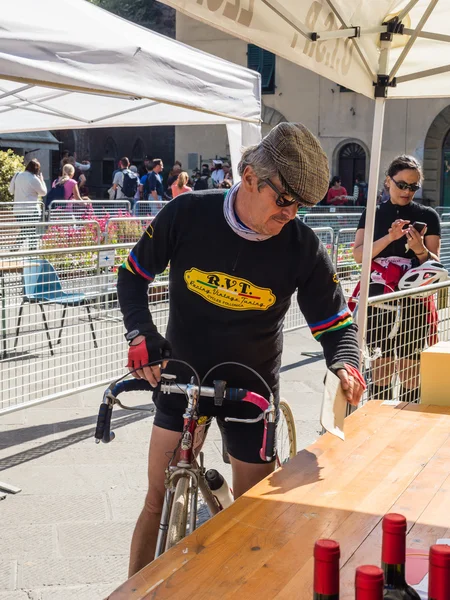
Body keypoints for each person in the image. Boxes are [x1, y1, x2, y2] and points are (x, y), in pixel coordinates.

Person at [117, 122, 364, 576]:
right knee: (156, 498)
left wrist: (346, 363)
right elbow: (131, 275)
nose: (292, 213)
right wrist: (140, 335)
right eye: (284, 199)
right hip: (181, 376)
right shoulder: (186, 213)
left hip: (251, 388)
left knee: (253, 515)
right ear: (249, 176)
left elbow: (337, 326)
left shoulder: (301, 246)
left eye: (302, 204)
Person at [352, 155, 441, 403]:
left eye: (413, 186)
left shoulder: (428, 215)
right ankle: (377, 428)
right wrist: (390, 238)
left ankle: (405, 428)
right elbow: (359, 255)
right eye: (401, 184)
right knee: (381, 370)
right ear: (387, 182)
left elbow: (436, 264)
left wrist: (420, 249)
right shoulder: (374, 213)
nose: (406, 191)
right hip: (381, 298)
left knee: (412, 372)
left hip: (414, 300)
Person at [9, 158, 47, 249]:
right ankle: (24, 250)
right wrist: (42, 180)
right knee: (30, 231)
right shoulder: (34, 178)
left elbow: (10, 191)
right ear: (37, 169)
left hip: (18, 211)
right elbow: (43, 192)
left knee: (27, 230)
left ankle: (16, 249)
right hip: (31, 211)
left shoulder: (17, 175)